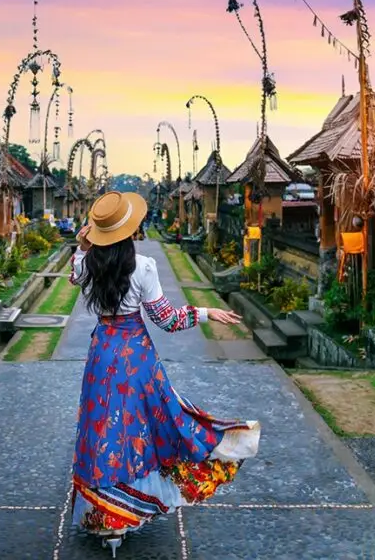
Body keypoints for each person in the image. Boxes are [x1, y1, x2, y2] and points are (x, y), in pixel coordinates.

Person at [69, 191, 261, 557]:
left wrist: (82, 245)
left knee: (103, 428)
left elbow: (73, 275)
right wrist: (205, 312)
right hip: (137, 358)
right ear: (129, 228)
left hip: (102, 353)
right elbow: (166, 320)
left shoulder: (85, 264)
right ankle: (131, 507)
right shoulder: (142, 267)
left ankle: (107, 519)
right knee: (144, 425)